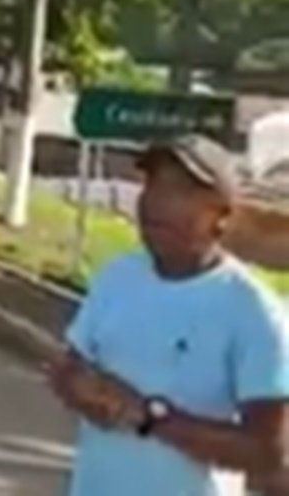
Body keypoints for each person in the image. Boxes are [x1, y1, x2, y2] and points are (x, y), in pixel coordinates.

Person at [47, 134, 289, 496]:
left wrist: (150, 417)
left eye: (180, 190)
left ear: (222, 214)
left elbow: (267, 453)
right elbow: (70, 367)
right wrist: (78, 389)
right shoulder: (118, 276)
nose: (156, 202)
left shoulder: (253, 312)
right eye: (152, 185)